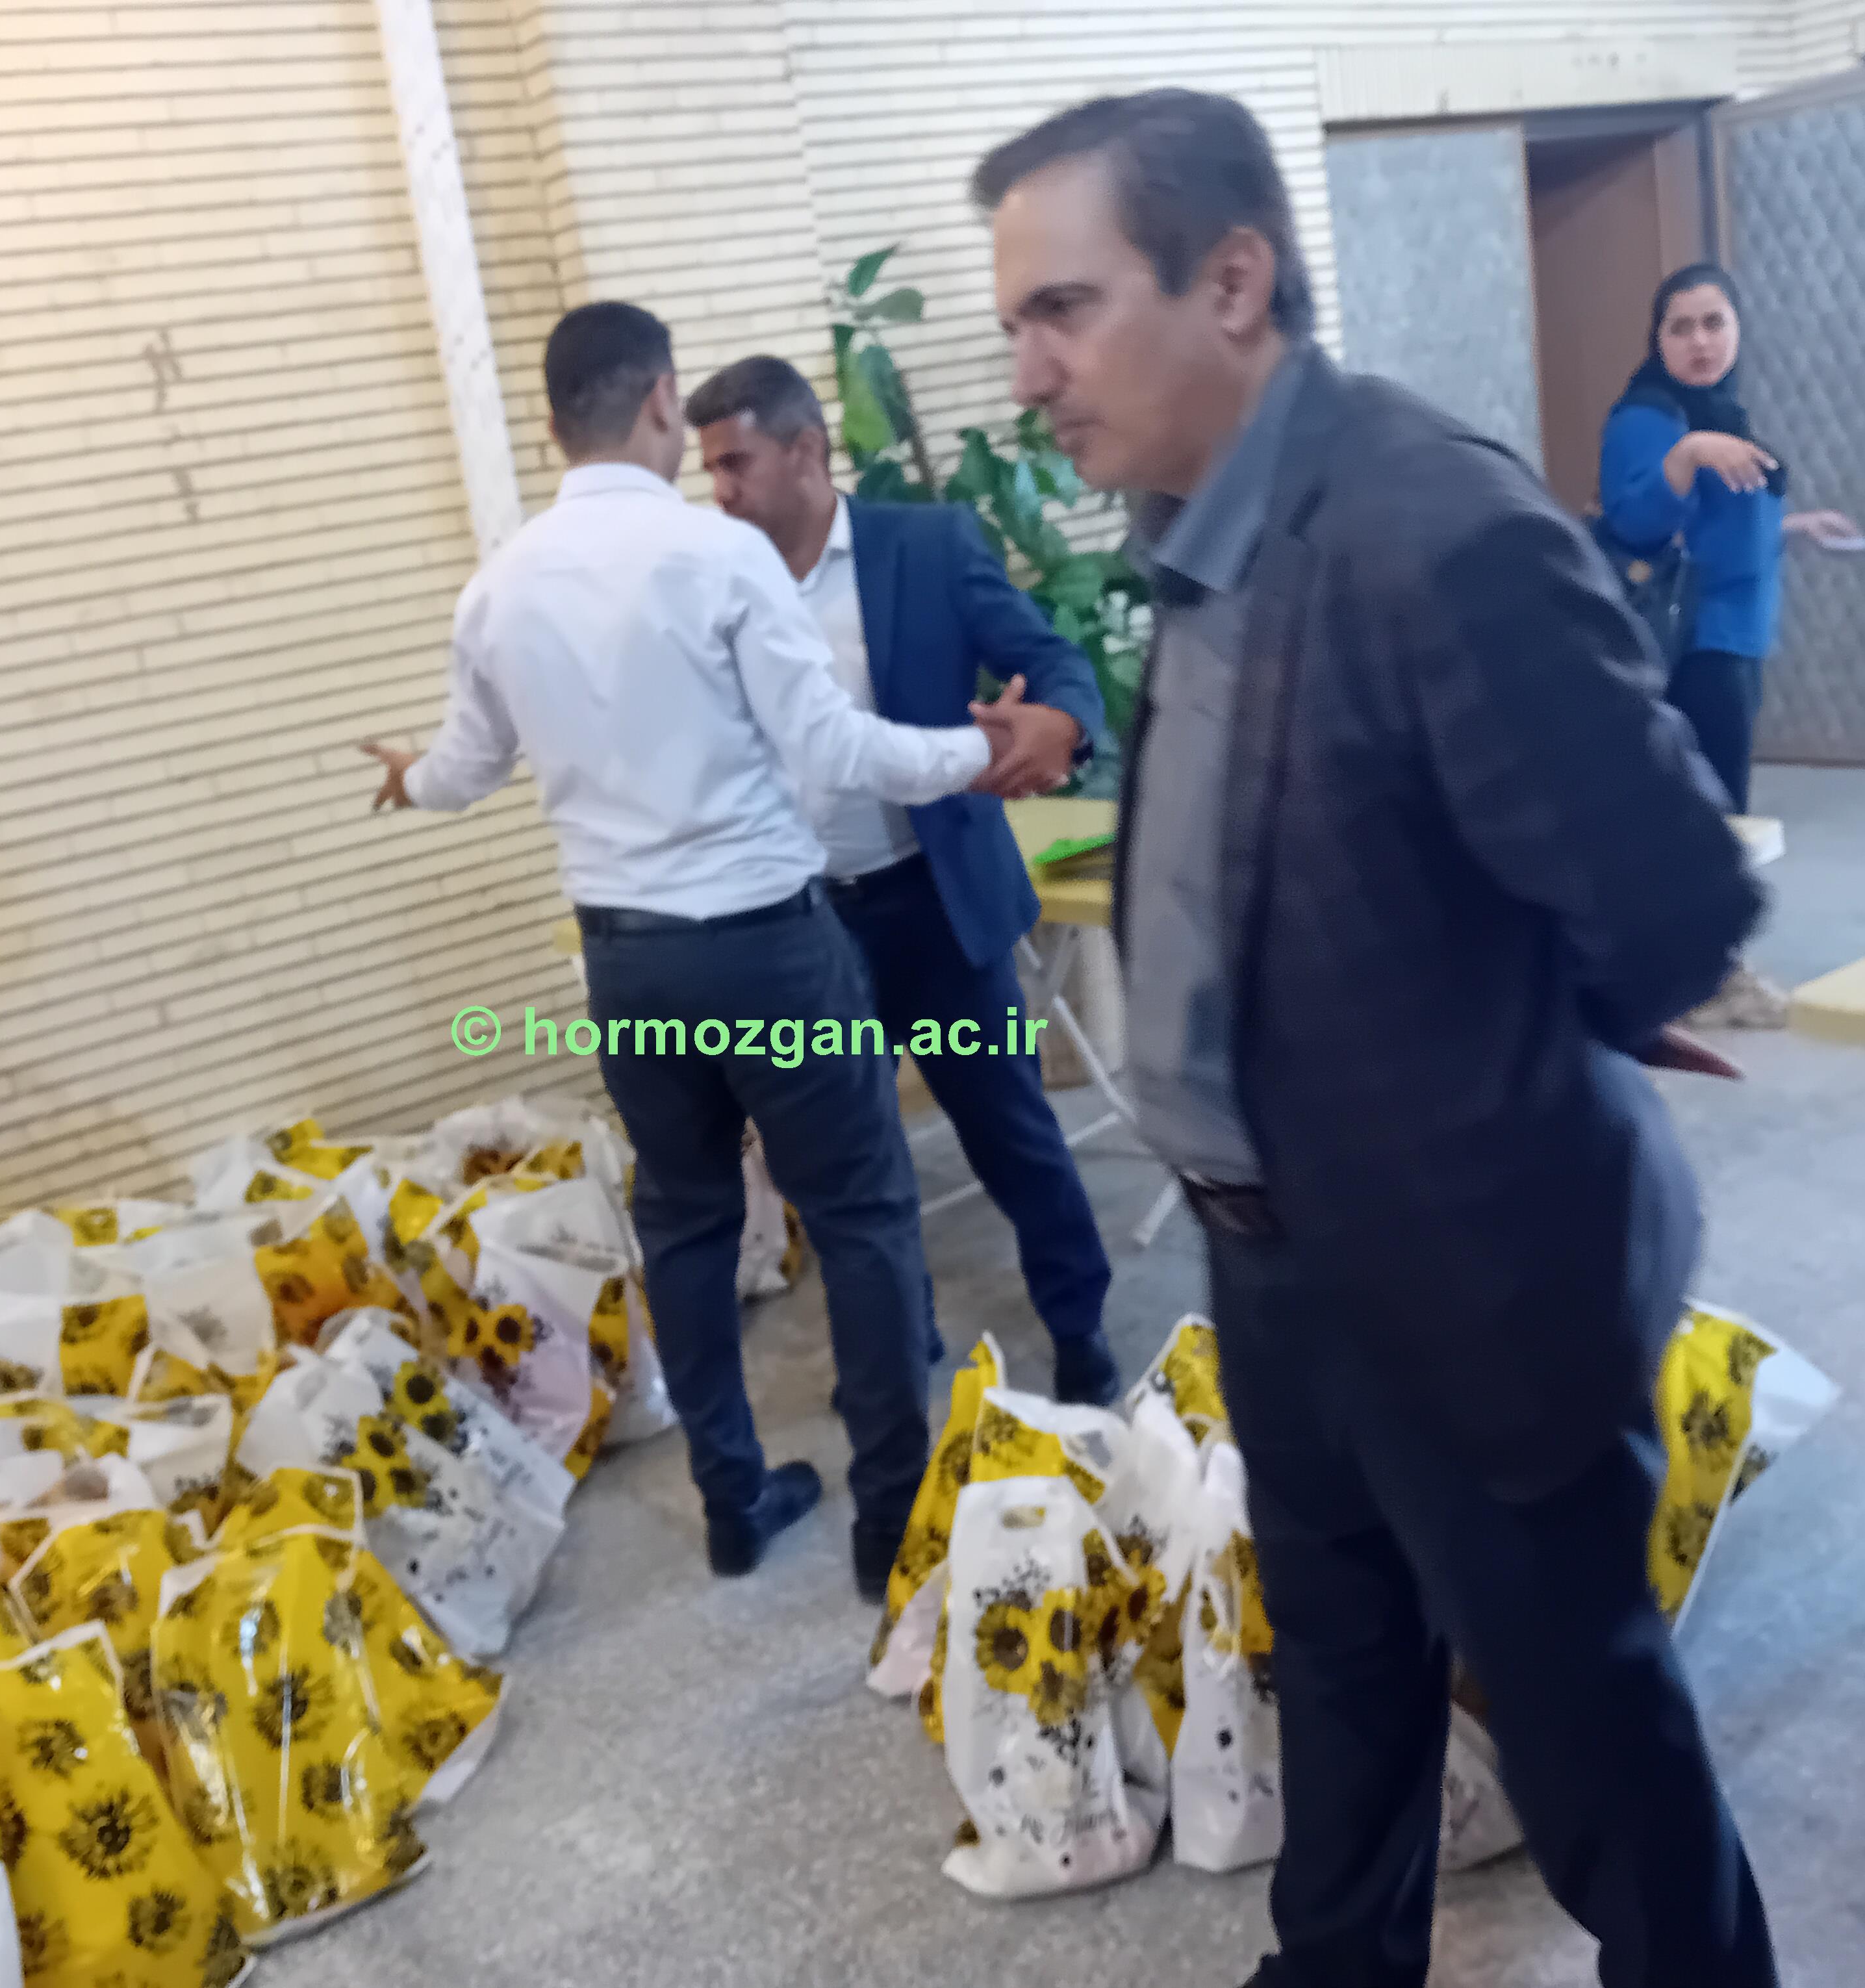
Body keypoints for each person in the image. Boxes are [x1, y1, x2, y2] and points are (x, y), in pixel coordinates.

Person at [975, 90, 1777, 1987]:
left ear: (1230, 279)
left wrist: (1501, 1051)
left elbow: (1670, 893)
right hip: (1278, 1263)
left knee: (1587, 1740)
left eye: (1062, 309)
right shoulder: (1199, 535)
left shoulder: (1433, 528)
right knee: (1338, 1688)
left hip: (1466, 1272)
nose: (1027, 374)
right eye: (1018, 323)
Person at [363, 302, 1073, 1599]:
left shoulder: (498, 586)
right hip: (764, 951)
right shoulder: (718, 556)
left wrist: (407, 778)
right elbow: (835, 751)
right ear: (660, 401)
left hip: (627, 965)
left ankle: (734, 1502)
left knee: (686, 1225)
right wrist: (983, 751)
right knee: (860, 1215)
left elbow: (464, 771)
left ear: (552, 423)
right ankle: (889, 1523)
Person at [682, 353, 1125, 1408]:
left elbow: (1050, 659)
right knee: (849, 1164)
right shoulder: (711, 579)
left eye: (737, 463)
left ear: (805, 450)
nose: (720, 490)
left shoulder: (927, 548)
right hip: (804, 929)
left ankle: (1079, 1325)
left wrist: (1063, 722)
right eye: (710, 469)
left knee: (1011, 1132)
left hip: (934, 906)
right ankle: (900, 1345)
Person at [1597, 263, 1860, 1023]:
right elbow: (1634, 524)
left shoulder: (1719, 411)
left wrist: (1792, 527)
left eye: (1714, 323)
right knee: (1710, 820)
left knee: (1720, 814)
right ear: (1657, 339)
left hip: (1736, 638)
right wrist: (1685, 458)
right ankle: (1708, 978)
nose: (1700, 342)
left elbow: (1718, 529)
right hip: (1697, 646)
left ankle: (1704, 971)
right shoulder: (1649, 417)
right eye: (1680, 327)